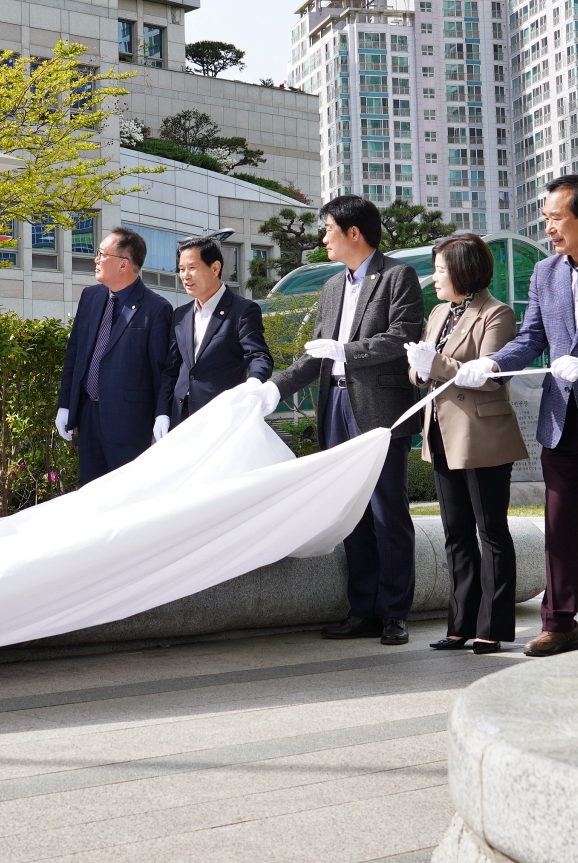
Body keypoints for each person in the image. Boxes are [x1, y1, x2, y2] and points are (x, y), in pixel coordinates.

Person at [455, 173, 578, 654]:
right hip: (561, 419)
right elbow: (530, 338)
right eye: (546, 218)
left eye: (554, 217)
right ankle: (560, 623)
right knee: (559, 528)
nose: (548, 227)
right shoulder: (546, 273)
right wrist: (491, 363)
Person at [261, 195, 425, 645]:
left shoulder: (397, 276)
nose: (323, 238)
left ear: (354, 233)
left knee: (387, 511)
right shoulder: (332, 287)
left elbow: (402, 337)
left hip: (377, 409)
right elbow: (316, 354)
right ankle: (362, 610)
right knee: (350, 512)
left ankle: (394, 613)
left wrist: (348, 352)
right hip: (335, 406)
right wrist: (274, 388)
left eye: (328, 229)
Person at [404, 233, 527, 655]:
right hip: (440, 433)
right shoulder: (439, 312)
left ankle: (491, 627)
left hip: (482, 436)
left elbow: (488, 374)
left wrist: (431, 363)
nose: (434, 277)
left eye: (440, 269)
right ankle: (459, 625)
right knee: (455, 533)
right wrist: (418, 369)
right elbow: (425, 372)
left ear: (463, 270)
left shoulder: (497, 314)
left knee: (490, 531)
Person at [56, 227, 178, 484]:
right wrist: (65, 405)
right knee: (91, 497)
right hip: (88, 417)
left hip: (130, 425)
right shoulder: (90, 297)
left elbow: (163, 370)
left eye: (102, 254)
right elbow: (75, 355)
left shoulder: (156, 309)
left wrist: (162, 413)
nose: (96, 259)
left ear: (124, 264)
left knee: (127, 501)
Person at [168, 237, 273, 426]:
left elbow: (259, 355)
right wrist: (162, 413)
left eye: (192, 268)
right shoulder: (180, 314)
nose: (185, 276)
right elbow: (172, 369)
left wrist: (255, 383)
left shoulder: (242, 310)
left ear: (215, 268)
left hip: (221, 415)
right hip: (180, 417)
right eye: (181, 269)